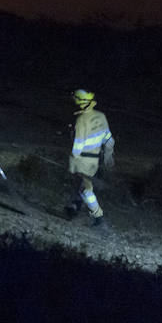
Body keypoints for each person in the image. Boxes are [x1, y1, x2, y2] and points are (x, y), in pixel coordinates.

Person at [65, 89, 115, 227]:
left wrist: (72, 160)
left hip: (82, 160)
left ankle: (98, 216)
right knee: (81, 185)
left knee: (86, 189)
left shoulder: (81, 120)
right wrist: (108, 158)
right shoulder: (101, 116)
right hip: (95, 161)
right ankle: (74, 208)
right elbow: (109, 140)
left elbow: (78, 145)